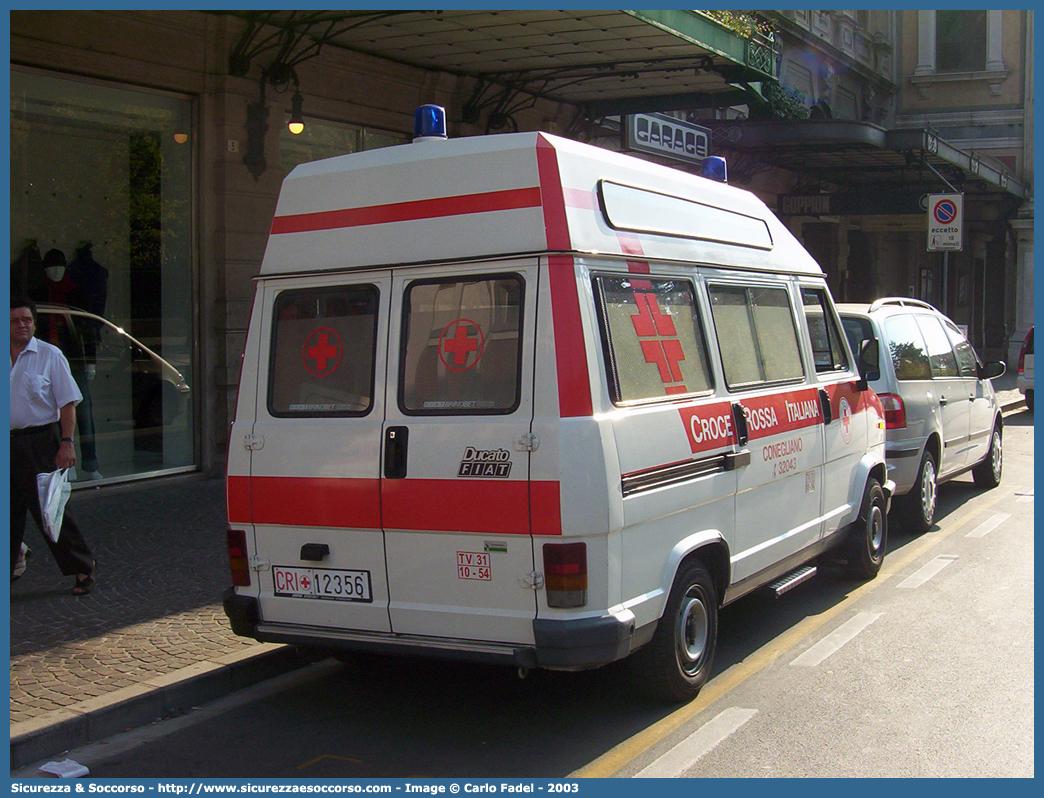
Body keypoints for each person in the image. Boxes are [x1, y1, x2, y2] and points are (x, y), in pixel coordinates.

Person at [10, 296, 96, 594]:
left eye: (27, 320)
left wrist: (67, 443)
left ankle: (83, 569)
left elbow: (67, 405)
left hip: (41, 443)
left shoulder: (50, 355)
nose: (23, 325)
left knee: (50, 511)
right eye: (15, 321)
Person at [32, 248, 102, 478]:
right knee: (52, 412)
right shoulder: (37, 294)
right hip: (45, 361)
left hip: (74, 359)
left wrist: (90, 360)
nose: (56, 271)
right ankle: (64, 464)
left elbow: (87, 329)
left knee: (83, 412)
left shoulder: (77, 293)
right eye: (51, 267)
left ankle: (90, 464)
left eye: (60, 266)